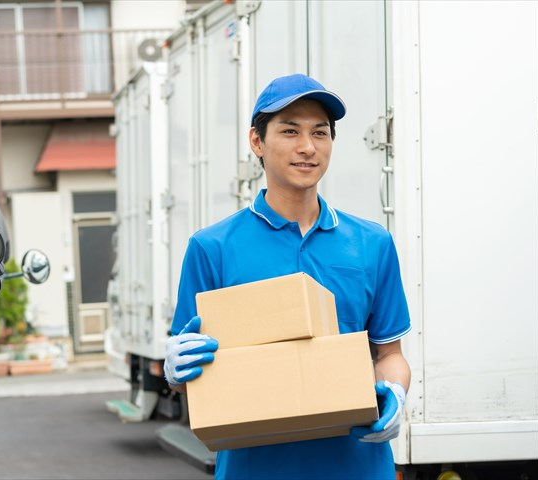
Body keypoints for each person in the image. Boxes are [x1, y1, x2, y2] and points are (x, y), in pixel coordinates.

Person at [163, 73, 412, 479]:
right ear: (257, 141)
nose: (308, 147)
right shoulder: (213, 247)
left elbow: (389, 355)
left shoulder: (371, 243)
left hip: (357, 465)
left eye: (321, 133)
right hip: (254, 467)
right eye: (290, 131)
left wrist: (397, 395)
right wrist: (176, 367)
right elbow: (191, 368)